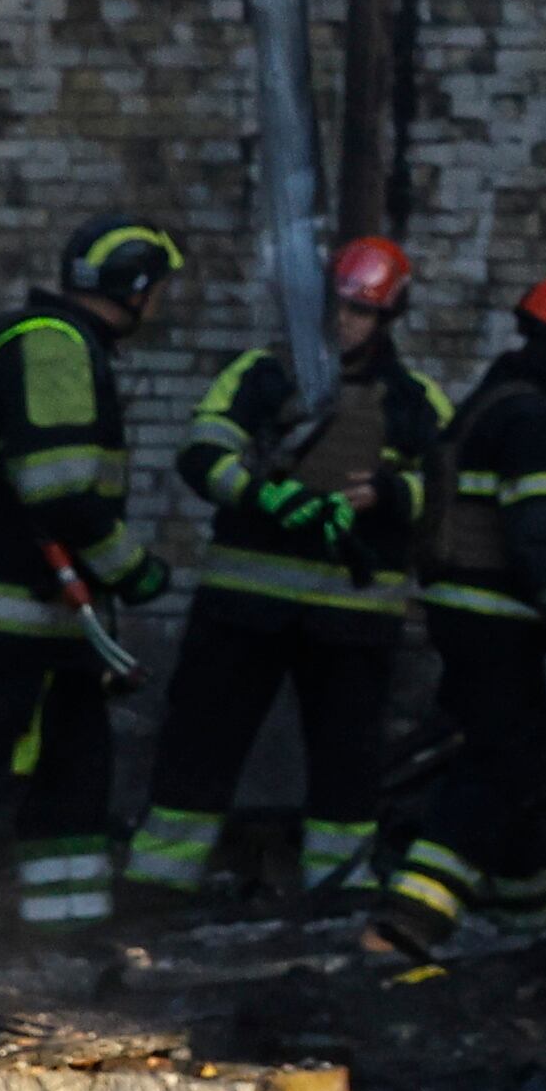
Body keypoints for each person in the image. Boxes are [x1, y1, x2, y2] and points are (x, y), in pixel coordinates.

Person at [124, 237, 454, 905]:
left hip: (353, 623)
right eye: (336, 307)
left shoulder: (416, 400)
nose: (344, 323)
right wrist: (261, 493)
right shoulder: (260, 374)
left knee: (347, 763)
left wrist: (388, 496)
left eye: (361, 312)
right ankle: (158, 886)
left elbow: (451, 495)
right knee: (200, 746)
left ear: (387, 317)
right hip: (243, 610)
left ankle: (339, 887)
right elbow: (202, 452)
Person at [0, 218, 181, 947]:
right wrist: (134, 571)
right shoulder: (52, 344)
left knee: (71, 775)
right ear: (137, 286)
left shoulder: (63, 342)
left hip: (50, 628)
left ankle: (62, 937)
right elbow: (56, 485)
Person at [365, 272, 546, 958]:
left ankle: (535, 930)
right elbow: (540, 542)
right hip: (497, 622)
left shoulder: (490, 403)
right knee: (496, 766)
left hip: (461, 615)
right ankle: (407, 923)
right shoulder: (536, 421)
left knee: (524, 764)